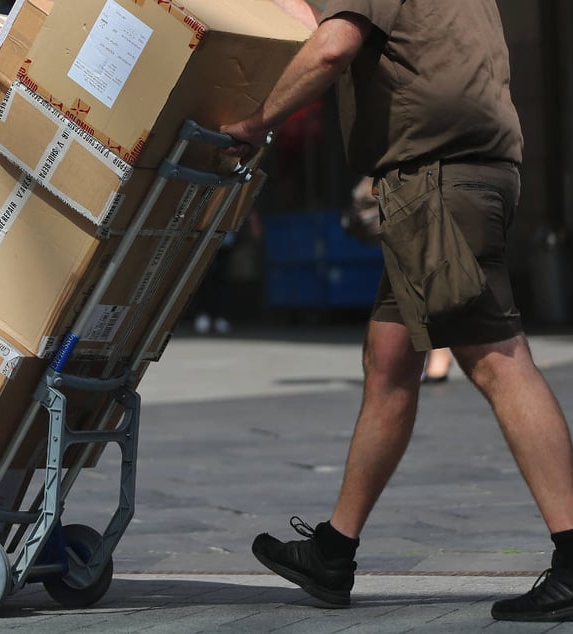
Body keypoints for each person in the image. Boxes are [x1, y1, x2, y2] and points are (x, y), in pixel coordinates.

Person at [221, 0, 573, 622]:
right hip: (459, 181)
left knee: (497, 359)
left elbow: (331, 47)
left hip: (437, 187)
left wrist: (255, 122)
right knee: (390, 365)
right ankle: (333, 552)